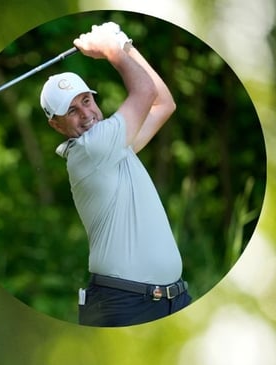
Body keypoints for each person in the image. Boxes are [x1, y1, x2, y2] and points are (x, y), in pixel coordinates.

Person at [41, 22, 189, 326]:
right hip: (125, 304)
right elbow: (145, 91)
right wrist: (111, 50)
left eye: (86, 100)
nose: (86, 114)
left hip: (170, 300)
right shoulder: (91, 149)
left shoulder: (114, 146)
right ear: (56, 125)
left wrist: (125, 45)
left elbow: (164, 104)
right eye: (71, 111)